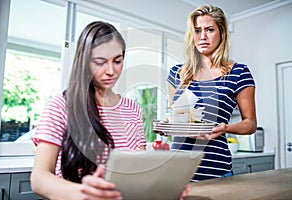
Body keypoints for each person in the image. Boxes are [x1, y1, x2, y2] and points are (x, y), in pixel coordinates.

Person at [30, 21, 189, 200]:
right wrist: (87, 194)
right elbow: (39, 178)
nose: (111, 71)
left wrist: (160, 187)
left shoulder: (132, 109)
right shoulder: (61, 106)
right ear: (84, 62)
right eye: (100, 62)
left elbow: (137, 171)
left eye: (117, 61)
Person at [167, 5, 257, 182]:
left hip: (215, 170)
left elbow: (251, 123)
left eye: (209, 30)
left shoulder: (238, 72)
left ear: (221, 33)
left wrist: (226, 128)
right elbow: (177, 118)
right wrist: (166, 125)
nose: (202, 37)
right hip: (176, 171)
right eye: (197, 30)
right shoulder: (177, 73)